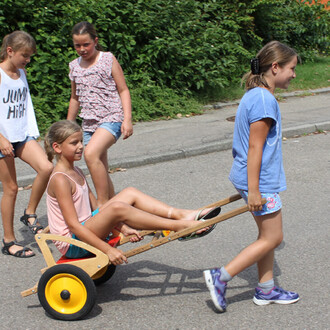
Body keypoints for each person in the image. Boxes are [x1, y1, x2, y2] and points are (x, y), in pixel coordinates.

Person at [203, 41, 300, 312]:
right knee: (273, 238)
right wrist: (255, 190)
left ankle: (266, 289)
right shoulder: (264, 100)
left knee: (265, 236)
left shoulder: (255, 94)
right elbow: (256, 147)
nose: (294, 74)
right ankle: (220, 277)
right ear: (275, 67)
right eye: (291, 68)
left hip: (254, 178)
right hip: (259, 181)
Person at [44, 120, 218, 266]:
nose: (81, 146)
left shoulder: (77, 171)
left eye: (81, 141)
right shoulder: (60, 179)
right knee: (117, 207)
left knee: (129, 193)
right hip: (72, 243)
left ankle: (181, 215)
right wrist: (108, 249)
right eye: (74, 143)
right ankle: (178, 226)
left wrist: (123, 228)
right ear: (57, 147)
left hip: (85, 230)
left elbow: (96, 208)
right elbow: (74, 225)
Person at [67, 21, 133, 207]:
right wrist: (68, 126)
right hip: (89, 123)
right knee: (99, 166)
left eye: (86, 44)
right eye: (77, 45)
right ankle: (116, 209)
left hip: (111, 117)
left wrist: (127, 119)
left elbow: (123, 90)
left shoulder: (107, 59)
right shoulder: (74, 66)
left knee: (90, 154)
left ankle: (102, 204)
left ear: (95, 41)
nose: (82, 49)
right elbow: (75, 98)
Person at [0, 31, 53, 258]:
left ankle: (29, 213)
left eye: (30, 56)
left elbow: (27, 103)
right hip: (2, 138)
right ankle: (9, 241)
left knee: (47, 168)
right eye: (24, 55)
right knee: (11, 188)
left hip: (21, 135)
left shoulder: (21, 73)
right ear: (10, 51)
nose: (27, 60)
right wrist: (1, 138)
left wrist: (33, 132)